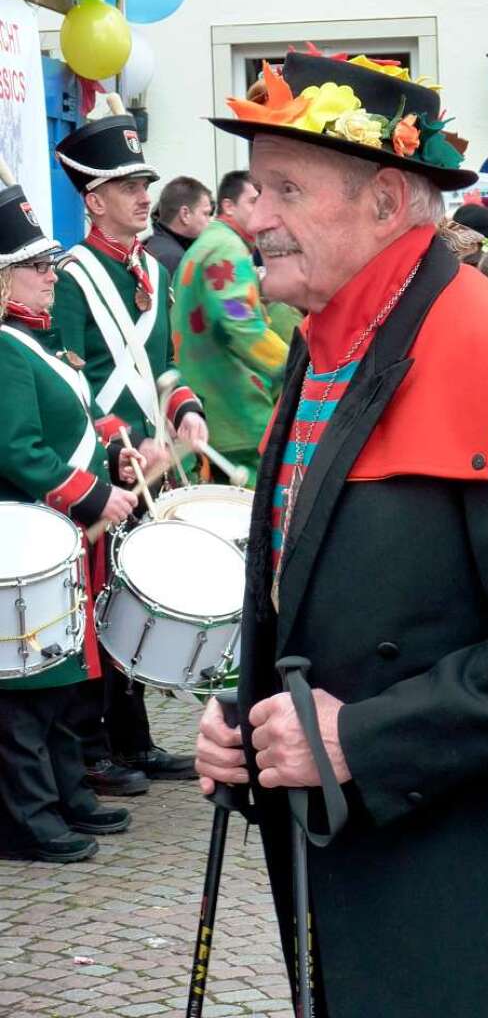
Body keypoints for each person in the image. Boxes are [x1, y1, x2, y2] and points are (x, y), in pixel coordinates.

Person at [195, 49, 488, 1018]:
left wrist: (357, 737)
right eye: (253, 186)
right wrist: (255, 729)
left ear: (383, 200)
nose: (253, 215)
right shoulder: (326, 345)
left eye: (285, 187)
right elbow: (325, 594)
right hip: (389, 881)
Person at [52, 111, 209, 793]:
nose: (145, 195)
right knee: (97, 601)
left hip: (152, 463)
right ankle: (91, 748)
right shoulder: (68, 276)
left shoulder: (152, 272)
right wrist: (120, 444)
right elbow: (66, 380)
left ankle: (134, 739)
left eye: (144, 182)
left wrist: (186, 412)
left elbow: (162, 370)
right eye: (128, 185)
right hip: (101, 467)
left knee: (136, 597)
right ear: (94, 200)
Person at [0, 181, 143, 861]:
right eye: (35, 266)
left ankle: (63, 794)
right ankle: (24, 816)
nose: (50, 275)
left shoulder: (37, 343)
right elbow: (17, 447)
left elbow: (75, 420)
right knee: (26, 682)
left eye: (50, 263)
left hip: (55, 537)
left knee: (61, 676)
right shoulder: (3, 347)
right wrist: (91, 496)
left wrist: (116, 445)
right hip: (25, 537)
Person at [172, 170, 289, 486]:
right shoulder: (227, 247)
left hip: (214, 405)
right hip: (234, 410)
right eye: (254, 201)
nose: (263, 209)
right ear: (228, 207)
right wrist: (292, 364)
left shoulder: (208, 244)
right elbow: (238, 318)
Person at [143, 175, 214, 278]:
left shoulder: (154, 246)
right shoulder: (174, 259)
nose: (210, 221)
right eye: (206, 214)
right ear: (185, 214)